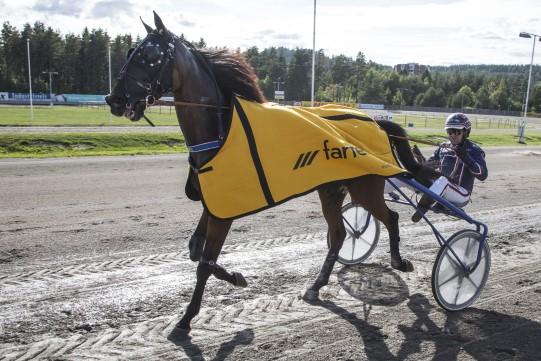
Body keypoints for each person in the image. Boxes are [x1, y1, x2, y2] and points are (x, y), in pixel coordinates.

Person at [411, 113, 488, 222]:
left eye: (457, 132)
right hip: (442, 190)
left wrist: (465, 157)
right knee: (411, 174)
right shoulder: (443, 148)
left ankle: (422, 207)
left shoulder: (474, 150)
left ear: (466, 132)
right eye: (450, 132)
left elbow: (483, 175)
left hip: (461, 195)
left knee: (443, 181)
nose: (453, 135)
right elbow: (428, 168)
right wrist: (419, 159)